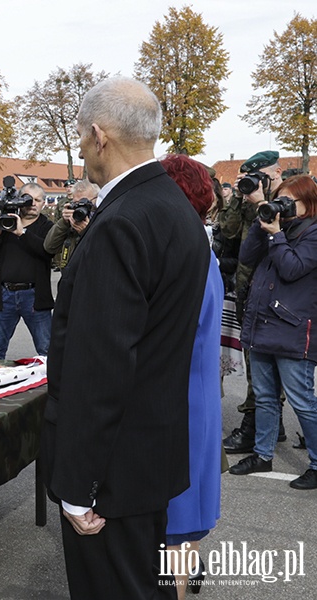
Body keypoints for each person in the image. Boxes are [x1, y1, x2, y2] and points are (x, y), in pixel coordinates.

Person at [40, 76, 210, 599]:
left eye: (79, 135)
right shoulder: (174, 207)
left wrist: (79, 486)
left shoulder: (122, 221)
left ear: (98, 135)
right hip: (148, 456)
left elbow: (101, 367)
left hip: (112, 474)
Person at [160, 154, 223, 598]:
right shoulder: (202, 248)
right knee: (186, 518)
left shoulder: (184, 254)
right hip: (196, 396)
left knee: (176, 525)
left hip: (178, 400)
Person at [229, 174, 317, 490]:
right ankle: (262, 454)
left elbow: (293, 269)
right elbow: (247, 257)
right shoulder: (276, 229)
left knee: (302, 400)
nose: (281, 206)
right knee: (265, 398)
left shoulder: (313, 233)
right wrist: (261, 220)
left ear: (309, 203)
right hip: (263, 324)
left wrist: (277, 234)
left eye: (288, 201)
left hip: (294, 331)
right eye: (279, 199)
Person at [0, 182, 54, 359]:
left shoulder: (47, 226)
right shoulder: (6, 221)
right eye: (29, 199)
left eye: (38, 200)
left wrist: (23, 233)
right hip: (4, 295)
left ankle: (54, 386)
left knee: (47, 350)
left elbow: (47, 252)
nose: (33, 203)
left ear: (43, 203)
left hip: (34, 296)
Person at [43, 179, 99, 269]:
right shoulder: (70, 220)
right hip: (70, 277)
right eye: (76, 203)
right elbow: (49, 247)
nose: (81, 207)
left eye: (85, 203)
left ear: (96, 199)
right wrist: (63, 223)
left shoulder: (102, 218)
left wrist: (87, 232)